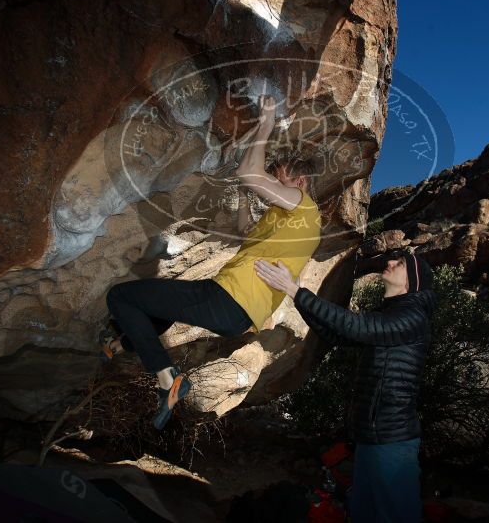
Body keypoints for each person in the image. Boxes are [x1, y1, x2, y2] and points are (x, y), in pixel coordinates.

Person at [103, 95, 321, 430]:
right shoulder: (290, 220)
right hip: (235, 311)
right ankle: (121, 344)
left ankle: (167, 379)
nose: (273, 185)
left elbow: (250, 173)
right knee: (162, 304)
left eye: (279, 179)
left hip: (230, 297)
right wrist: (248, 197)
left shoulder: (302, 205)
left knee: (121, 296)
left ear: (301, 182)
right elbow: (246, 232)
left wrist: (265, 122)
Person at [255, 247, 437, 522]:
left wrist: (295, 291)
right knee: (363, 513)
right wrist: (297, 294)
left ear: (412, 281)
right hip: (372, 436)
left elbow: (357, 327)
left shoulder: (413, 317)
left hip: (391, 440)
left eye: (399, 263)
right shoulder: (394, 315)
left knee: (396, 515)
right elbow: (336, 334)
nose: (389, 262)